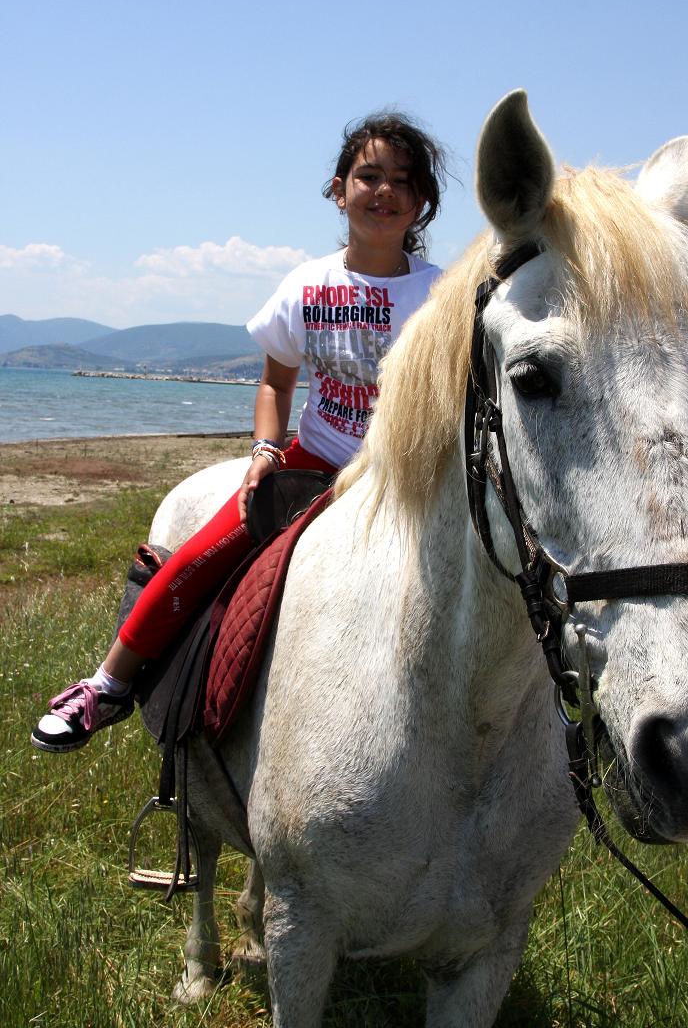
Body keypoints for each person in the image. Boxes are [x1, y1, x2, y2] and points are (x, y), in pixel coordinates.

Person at [31, 113, 447, 752]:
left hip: (407, 474)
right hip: (316, 462)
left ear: (421, 202)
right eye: (369, 176)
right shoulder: (306, 285)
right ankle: (108, 683)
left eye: (403, 180)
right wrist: (264, 451)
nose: (385, 190)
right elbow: (276, 384)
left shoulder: (441, 295)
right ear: (339, 191)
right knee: (199, 555)